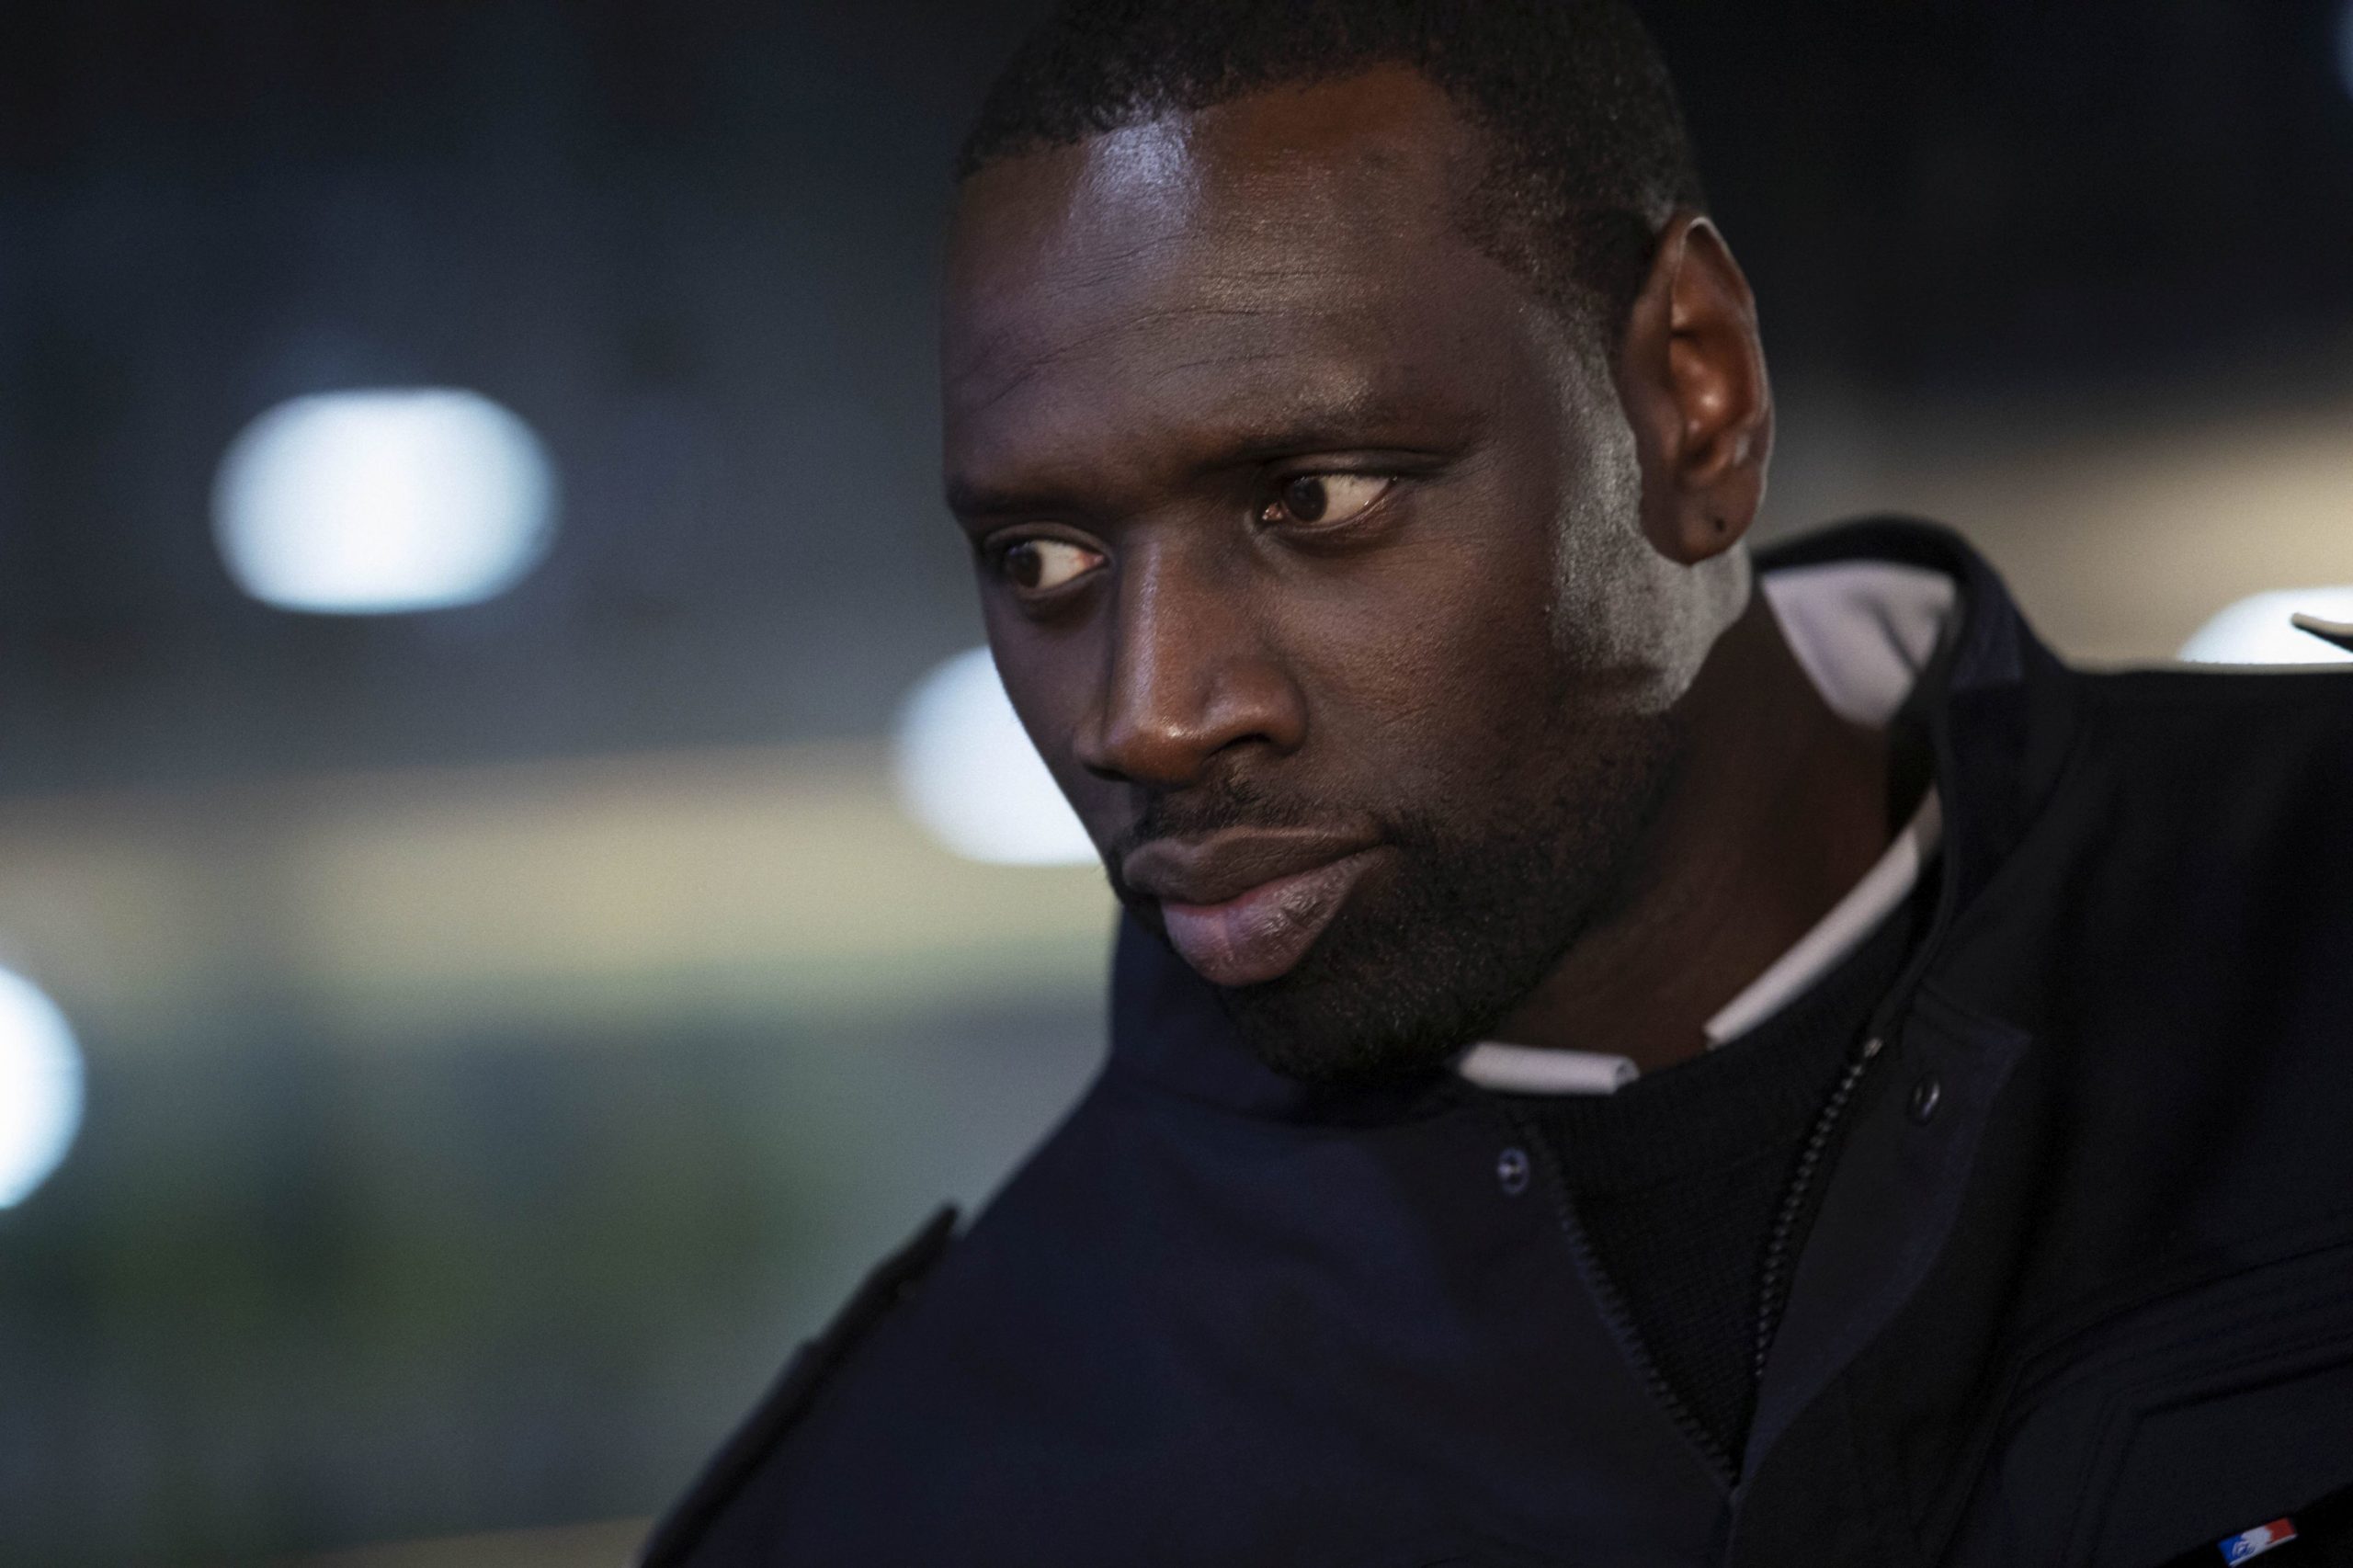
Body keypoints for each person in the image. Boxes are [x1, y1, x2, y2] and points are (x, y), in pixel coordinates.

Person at [642, 3, 2353, 1563]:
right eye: (1042, 555)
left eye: (1313, 499)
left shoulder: (2310, 930)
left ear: (1692, 398)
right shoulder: (924, 1495)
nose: (1146, 717)